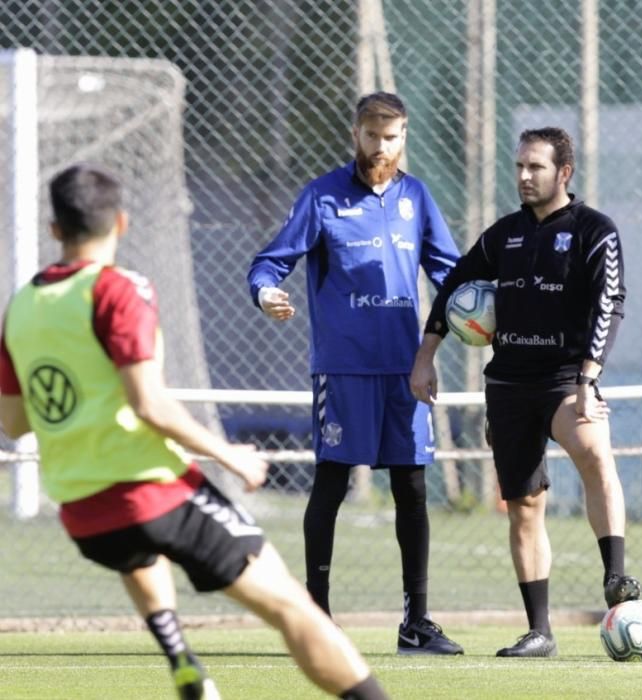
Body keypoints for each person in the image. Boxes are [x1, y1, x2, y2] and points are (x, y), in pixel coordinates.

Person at [0, 164, 389, 700]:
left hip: (82, 511)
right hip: (151, 491)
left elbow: (16, 422)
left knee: (138, 550)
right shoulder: (119, 290)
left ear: (55, 230)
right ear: (121, 222)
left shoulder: (20, 307)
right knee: (293, 608)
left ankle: (181, 657)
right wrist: (228, 455)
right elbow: (149, 403)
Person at [410, 126, 641, 658]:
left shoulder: (594, 231)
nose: (523, 176)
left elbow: (611, 303)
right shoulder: (503, 235)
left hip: (565, 379)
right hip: (508, 384)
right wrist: (425, 356)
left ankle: (616, 578)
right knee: (524, 507)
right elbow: (452, 289)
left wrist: (588, 377)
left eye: (535, 167)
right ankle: (540, 631)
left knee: (593, 451)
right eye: (518, 166)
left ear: (564, 173)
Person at [247, 92, 463, 656]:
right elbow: (272, 261)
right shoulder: (321, 197)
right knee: (332, 483)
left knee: (411, 487)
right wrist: (267, 291)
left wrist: (486, 310)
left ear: (403, 138)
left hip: (404, 371)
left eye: (391, 137)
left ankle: (416, 623)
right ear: (356, 135)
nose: (381, 147)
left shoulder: (417, 197)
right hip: (343, 370)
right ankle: (316, 617)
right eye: (372, 136)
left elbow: (451, 274)